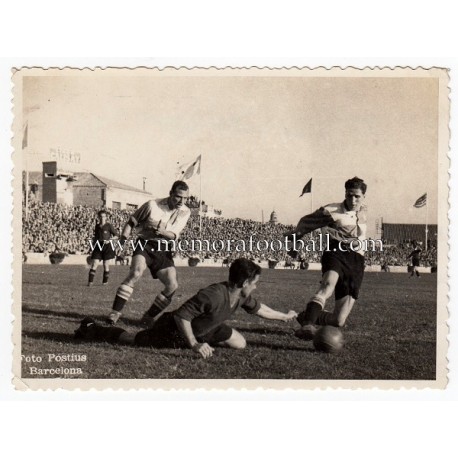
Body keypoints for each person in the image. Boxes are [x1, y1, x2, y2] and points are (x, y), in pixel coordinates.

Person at [75, 258, 297, 358]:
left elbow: (261, 310)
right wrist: (194, 345)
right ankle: (91, 327)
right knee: (132, 339)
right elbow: (182, 316)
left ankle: (202, 338)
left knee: (240, 343)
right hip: (173, 328)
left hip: (208, 328)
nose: (256, 286)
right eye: (255, 282)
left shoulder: (240, 296)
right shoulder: (213, 294)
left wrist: (284, 317)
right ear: (245, 283)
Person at [285, 177, 368, 340]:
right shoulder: (331, 210)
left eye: (357, 196)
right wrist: (295, 243)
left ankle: (306, 316)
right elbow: (305, 222)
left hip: (357, 261)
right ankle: (308, 324)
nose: (353, 199)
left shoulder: (364, 210)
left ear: (363, 196)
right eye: (349, 195)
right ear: (345, 193)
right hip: (335, 252)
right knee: (327, 285)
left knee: (339, 320)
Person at [107, 180, 191, 325]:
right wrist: (122, 240)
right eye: (178, 196)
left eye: (185, 198)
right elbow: (131, 222)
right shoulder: (152, 205)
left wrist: (164, 232)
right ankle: (115, 313)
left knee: (172, 285)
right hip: (145, 244)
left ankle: (148, 317)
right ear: (170, 193)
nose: (181, 201)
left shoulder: (186, 211)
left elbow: (174, 235)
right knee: (136, 273)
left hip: (163, 248)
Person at [87, 210, 118, 286]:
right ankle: (90, 282)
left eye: (104, 216)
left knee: (106, 265)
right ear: (98, 217)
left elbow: (116, 235)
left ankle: (105, 282)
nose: (102, 218)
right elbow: (96, 237)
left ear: (106, 217)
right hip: (98, 246)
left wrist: (109, 240)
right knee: (95, 263)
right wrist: (92, 246)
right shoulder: (97, 226)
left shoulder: (109, 226)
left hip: (107, 246)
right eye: (100, 216)